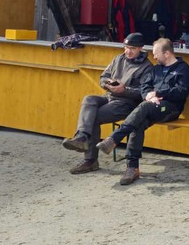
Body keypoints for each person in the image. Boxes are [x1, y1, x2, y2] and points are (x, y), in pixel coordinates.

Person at [96, 38, 189, 185]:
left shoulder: (183, 69)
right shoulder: (155, 69)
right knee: (138, 122)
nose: (153, 57)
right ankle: (132, 168)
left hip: (171, 108)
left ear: (167, 53)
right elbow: (145, 86)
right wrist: (149, 95)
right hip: (151, 105)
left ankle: (114, 138)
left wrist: (158, 93)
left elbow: (181, 92)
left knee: (143, 108)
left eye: (156, 54)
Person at [61, 33, 153, 174]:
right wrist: (107, 83)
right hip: (109, 95)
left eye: (132, 48)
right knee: (89, 99)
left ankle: (90, 160)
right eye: (126, 47)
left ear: (140, 48)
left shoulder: (147, 67)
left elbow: (144, 93)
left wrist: (124, 90)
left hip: (126, 103)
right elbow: (103, 77)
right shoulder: (118, 58)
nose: (128, 51)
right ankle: (81, 136)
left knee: (93, 117)